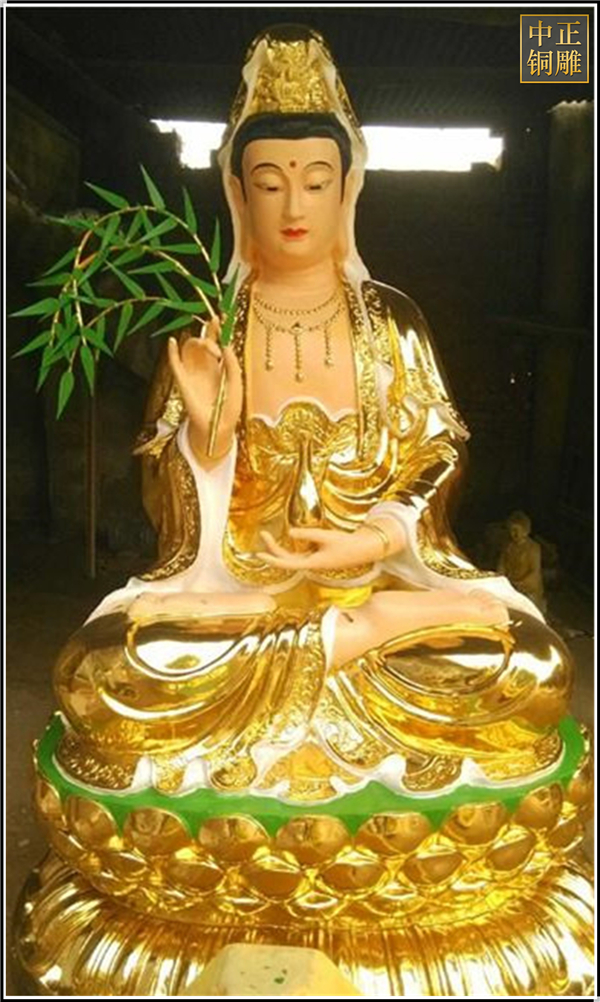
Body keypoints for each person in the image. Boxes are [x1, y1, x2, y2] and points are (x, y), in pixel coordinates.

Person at [53, 24, 571, 801]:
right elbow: (164, 498)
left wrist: (377, 535)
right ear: (239, 193)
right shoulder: (209, 327)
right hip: (239, 595)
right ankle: (340, 642)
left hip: (377, 586)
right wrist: (206, 439)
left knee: (536, 664)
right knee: (99, 669)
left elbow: (439, 453)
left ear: (347, 189)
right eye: (270, 183)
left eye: (316, 181)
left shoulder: (392, 322)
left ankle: (356, 633)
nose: (294, 205)